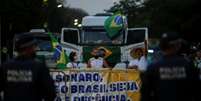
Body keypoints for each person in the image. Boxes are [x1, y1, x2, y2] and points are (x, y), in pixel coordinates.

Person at [141, 32, 199, 101]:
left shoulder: (153, 68)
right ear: (178, 45)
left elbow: (145, 94)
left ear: (161, 46)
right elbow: (196, 91)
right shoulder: (188, 65)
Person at [0, 34, 56, 101]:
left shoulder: (6, 66)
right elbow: (50, 92)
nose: (36, 49)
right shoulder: (39, 67)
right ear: (29, 48)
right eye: (34, 46)